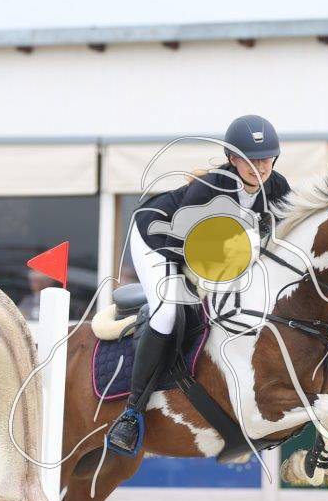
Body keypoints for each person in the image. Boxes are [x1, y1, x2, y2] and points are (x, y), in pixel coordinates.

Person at [105, 115, 292, 456]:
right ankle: (131, 414)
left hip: (212, 256)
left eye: (266, 158)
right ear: (232, 159)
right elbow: (189, 252)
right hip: (160, 241)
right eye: (250, 159)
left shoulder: (278, 189)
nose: (260, 166)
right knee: (168, 313)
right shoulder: (209, 188)